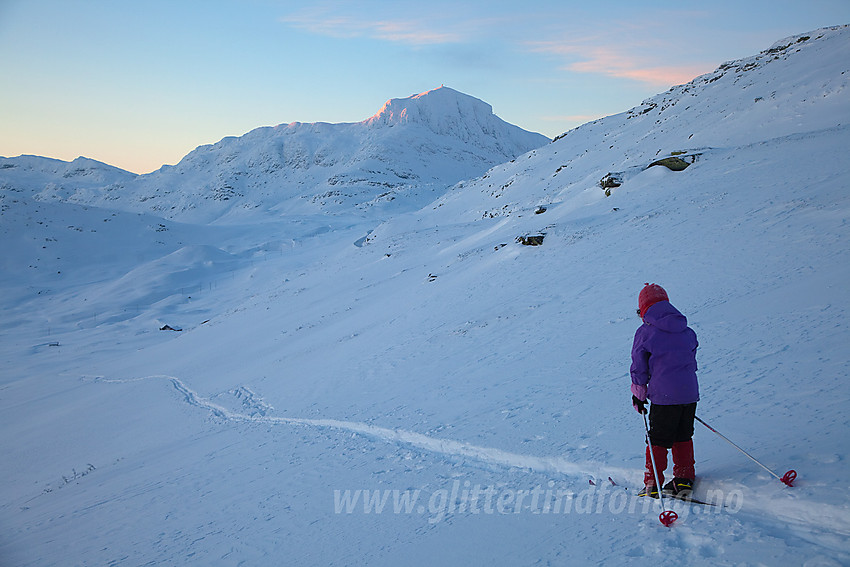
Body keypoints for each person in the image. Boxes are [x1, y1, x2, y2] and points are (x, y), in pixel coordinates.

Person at [629, 283, 699, 497]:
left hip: (664, 397)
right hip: (689, 394)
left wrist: (639, 396)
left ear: (644, 308)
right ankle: (684, 479)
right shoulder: (687, 330)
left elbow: (639, 367)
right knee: (683, 435)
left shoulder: (645, 333)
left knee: (657, 439)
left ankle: (653, 484)